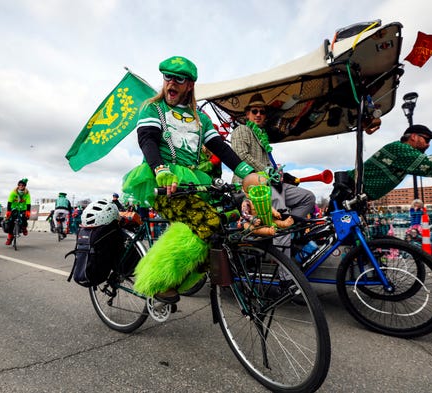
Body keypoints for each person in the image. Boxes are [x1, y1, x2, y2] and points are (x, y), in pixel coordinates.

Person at [122, 55, 254, 303]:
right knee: (208, 223)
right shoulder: (154, 108)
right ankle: (156, 280)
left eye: (178, 79)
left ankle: (178, 279)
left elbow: (220, 147)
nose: (171, 83)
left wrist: (247, 172)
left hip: (193, 181)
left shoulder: (201, 119)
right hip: (162, 179)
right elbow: (147, 140)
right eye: (167, 77)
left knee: (221, 230)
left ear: (189, 85)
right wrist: (161, 170)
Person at [230, 93, 316, 254]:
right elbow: (241, 155)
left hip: (270, 184)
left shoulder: (262, 136)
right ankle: (286, 276)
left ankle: (288, 230)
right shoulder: (242, 130)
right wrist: (267, 171)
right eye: (254, 111)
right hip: (251, 187)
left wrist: (282, 175)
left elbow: (269, 167)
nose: (258, 115)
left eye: (262, 112)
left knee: (308, 197)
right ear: (247, 114)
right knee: (281, 216)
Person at [329, 124, 432, 209]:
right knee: (339, 238)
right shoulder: (401, 149)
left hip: (353, 195)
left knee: (348, 240)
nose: (428, 145)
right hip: (348, 192)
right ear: (413, 136)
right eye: (427, 140)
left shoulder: (401, 151)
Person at [4, 178, 31, 245]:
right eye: (20, 185)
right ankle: (10, 238)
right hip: (14, 208)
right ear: (18, 186)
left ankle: (24, 228)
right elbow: (9, 202)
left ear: (24, 186)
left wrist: (28, 211)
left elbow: (28, 203)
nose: (21, 186)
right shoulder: (13, 192)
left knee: (24, 218)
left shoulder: (27, 194)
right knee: (11, 222)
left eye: (23, 185)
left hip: (23, 209)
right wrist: (8, 211)